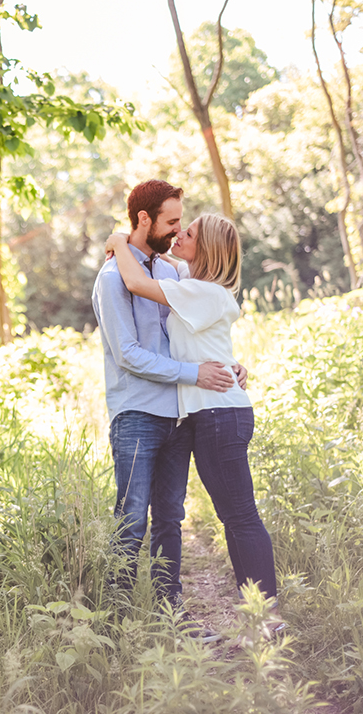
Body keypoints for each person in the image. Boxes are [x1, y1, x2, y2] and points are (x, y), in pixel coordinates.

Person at [105, 213, 278, 605]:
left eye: (189, 232)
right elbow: (161, 261)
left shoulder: (202, 291)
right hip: (211, 414)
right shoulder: (192, 282)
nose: (179, 234)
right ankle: (256, 613)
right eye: (179, 225)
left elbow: (135, 280)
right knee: (233, 517)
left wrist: (117, 242)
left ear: (208, 249)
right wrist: (234, 363)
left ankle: (266, 616)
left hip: (219, 414)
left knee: (240, 517)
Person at [91, 180, 246, 613]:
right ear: (145, 219)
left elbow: (195, 329)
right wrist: (194, 374)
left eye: (182, 223)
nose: (179, 231)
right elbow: (129, 355)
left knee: (170, 521)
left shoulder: (171, 271)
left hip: (178, 416)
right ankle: (119, 621)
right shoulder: (112, 278)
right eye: (172, 221)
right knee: (131, 519)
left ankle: (170, 613)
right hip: (137, 414)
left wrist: (228, 363)